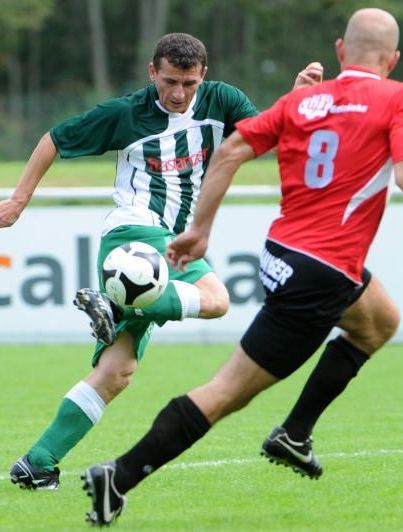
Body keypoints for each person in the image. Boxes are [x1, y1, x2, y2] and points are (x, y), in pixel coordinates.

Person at [80, 7, 403, 526]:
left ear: (341, 52)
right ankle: (117, 477)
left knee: (380, 320)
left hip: (285, 255)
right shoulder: (400, 96)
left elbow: (231, 151)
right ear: (393, 59)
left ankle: (295, 434)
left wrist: (200, 229)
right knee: (223, 395)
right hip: (320, 273)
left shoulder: (302, 100)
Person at [1, 32, 323, 490]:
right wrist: (18, 200)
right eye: (169, 81)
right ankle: (119, 305)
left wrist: (295, 99)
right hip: (135, 234)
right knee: (216, 299)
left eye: (188, 83)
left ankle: (38, 463)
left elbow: (265, 140)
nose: (178, 93)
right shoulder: (126, 113)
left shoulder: (222, 100)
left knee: (117, 371)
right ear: (152, 72)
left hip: (161, 249)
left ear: (202, 77)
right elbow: (55, 138)